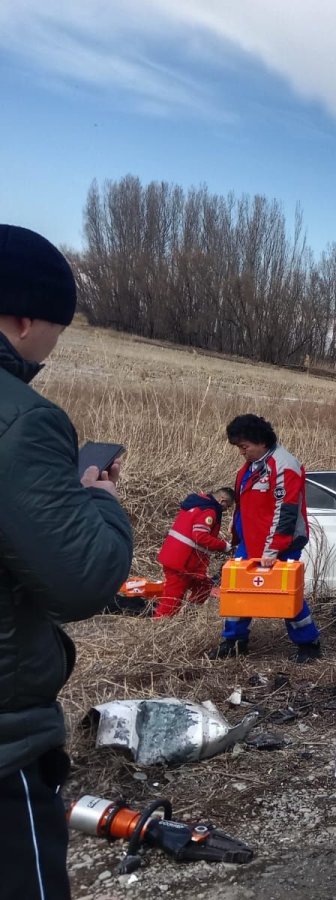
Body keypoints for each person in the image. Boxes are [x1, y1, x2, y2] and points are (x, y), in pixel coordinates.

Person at [0, 224, 134, 897]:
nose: (52, 349)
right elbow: (80, 578)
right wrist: (100, 502)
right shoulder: (23, 419)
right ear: (24, 316)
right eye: (57, 328)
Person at [208, 414, 322, 662]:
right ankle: (234, 642)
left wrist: (273, 550)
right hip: (251, 542)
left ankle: (309, 644)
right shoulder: (250, 467)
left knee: (285, 593)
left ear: (260, 441)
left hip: (282, 543)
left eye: (244, 446)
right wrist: (236, 531)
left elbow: (286, 511)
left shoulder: (284, 465)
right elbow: (246, 506)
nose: (241, 452)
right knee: (237, 591)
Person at [154, 487, 235, 618]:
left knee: (204, 586)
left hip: (180, 558)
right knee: (172, 600)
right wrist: (224, 546)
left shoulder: (198, 503)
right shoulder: (209, 511)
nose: (226, 510)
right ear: (222, 500)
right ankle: (158, 626)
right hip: (182, 563)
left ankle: (189, 616)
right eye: (228, 506)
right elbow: (200, 536)